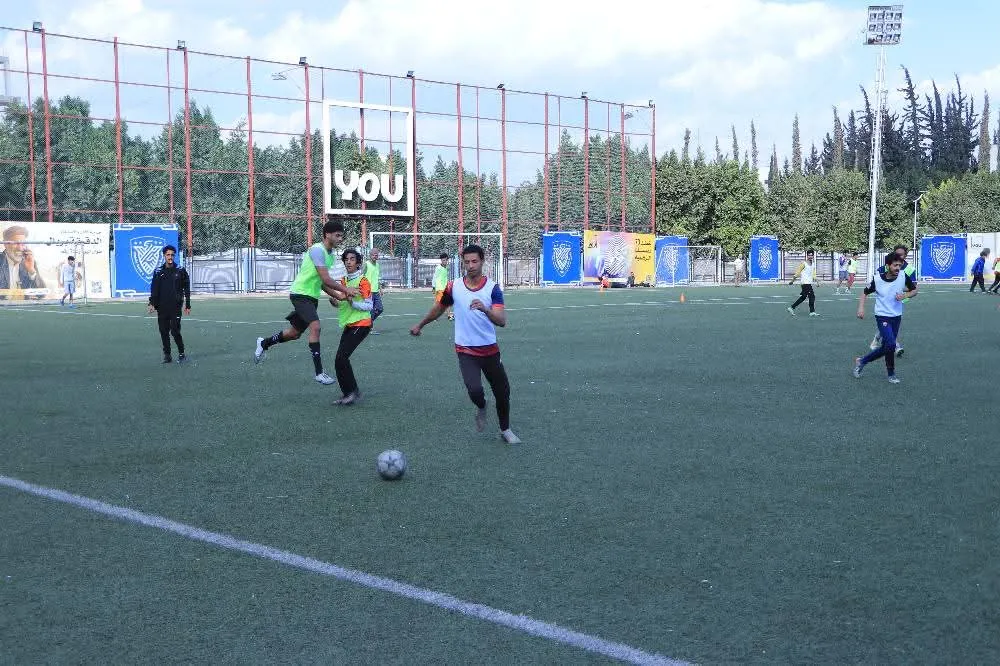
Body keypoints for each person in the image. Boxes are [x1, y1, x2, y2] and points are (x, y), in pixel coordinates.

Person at [410, 244, 521, 445]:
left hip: (490, 350)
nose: (470, 265)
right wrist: (421, 324)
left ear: (482, 261)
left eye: (474, 261)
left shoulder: (492, 288)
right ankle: (481, 406)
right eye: (466, 262)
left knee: (503, 392)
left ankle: (505, 430)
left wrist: (485, 309)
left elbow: (501, 320)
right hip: (466, 350)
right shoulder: (454, 286)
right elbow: (439, 308)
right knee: (475, 391)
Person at [253, 220, 359, 384]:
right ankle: (319, 373)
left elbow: (322, 282)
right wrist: (345, 290)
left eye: (341, 236)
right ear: (327, 235)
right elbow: (325, 278)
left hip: (311, 297)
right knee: (315, 326)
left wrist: (338, 296)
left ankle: (264, 342)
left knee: (294, 333)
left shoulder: (330, 256)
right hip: (300, 294)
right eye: (337, 235)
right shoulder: (317, 250)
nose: (340, 239)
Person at [853, 252, 918, 384]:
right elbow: (864, 293)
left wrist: (905, 296)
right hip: (882, 316)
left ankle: (862, 361)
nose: (898, 268)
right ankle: (891, 374)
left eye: (900, 265)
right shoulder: (877, 279)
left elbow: (914, 290)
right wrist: (861, 308)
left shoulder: (903, 276)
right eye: (895, 265)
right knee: (891, 344)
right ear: (888, 265)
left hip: (896, 316)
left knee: (887, 346)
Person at [329, 249, 374, 405]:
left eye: (352, 259)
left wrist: (352, 303)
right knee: (339, 360)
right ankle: (348, 393)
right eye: (346, 259)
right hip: (349, 324)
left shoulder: (363, 281)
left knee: (341, 358)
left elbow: (369, 306)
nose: (348, 262)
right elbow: (341, 301)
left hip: (362, 324)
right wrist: (334, 301)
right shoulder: (343, 282)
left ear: (358, 263)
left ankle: (352, 392)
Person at [147, 245, 191, 364]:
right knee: (163, 331)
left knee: (175, 331)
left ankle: (181, 353)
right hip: (162, 307)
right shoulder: (158, 271)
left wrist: (188, 304)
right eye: (168, 255)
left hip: (176, 307)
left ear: (174, 256)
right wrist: (152, 303)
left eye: (172, 255)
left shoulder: (180, 270)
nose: (170, 257)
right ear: (164, 256)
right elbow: (154, 289)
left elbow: (186, 288)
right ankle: (167, 355)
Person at [870, 244, 916, 356]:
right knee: (888, 322)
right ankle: (896, 345)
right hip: (886, 300)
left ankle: (876, 339)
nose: (899, 256)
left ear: (905, 256)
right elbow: (878, 284)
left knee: (890, 323)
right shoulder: (885, 267)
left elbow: (913, 287)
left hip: (899, 298)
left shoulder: (909, 269)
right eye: (897, 253)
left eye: (901, 254)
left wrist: (902, 292)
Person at [0, 225, 46, 297]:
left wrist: (31, 271)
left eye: (23, 243)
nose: (20, 248)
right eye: (16, 243)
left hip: (23, 306)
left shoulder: (29, 261)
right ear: (5, 244)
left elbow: (42, 294)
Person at [787, 249, 819, 316]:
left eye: (812, 255)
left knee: (804, 297)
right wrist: (792, 281)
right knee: (812, 296)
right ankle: (812, 312)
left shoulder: (813, 264)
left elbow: (813, 274)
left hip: (809, 283)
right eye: (809, 255)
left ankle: (791, 307)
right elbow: (797, 272)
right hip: (805, 283)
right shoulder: (803, 263)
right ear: (807, 256)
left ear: (813, 256)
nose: (810, 256)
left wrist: (817, 282)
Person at [365, 248, 384, 334]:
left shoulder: (377, 265)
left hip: (376, 291)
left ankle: (366, 323)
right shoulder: (366, 264)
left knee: (380, 309)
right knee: (371, 310)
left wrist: (380, 288)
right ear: (370, 255)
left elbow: (377, 278)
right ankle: (369, 328)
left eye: (376, 255)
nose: (375, 256)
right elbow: (360, 276)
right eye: (373, 255)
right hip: (368, 291)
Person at [433, 252, 453, 321]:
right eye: (443, 260)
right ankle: (435, 316)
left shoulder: (446, 267)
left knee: (447, 302)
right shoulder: (438, 268)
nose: (445, 261)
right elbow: (435, 277)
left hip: (445, 288)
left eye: (446, 260)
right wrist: (434, 287)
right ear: (441, 260)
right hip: (439, 288)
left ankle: (449, 315)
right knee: (438, 303)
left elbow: (445, 278)